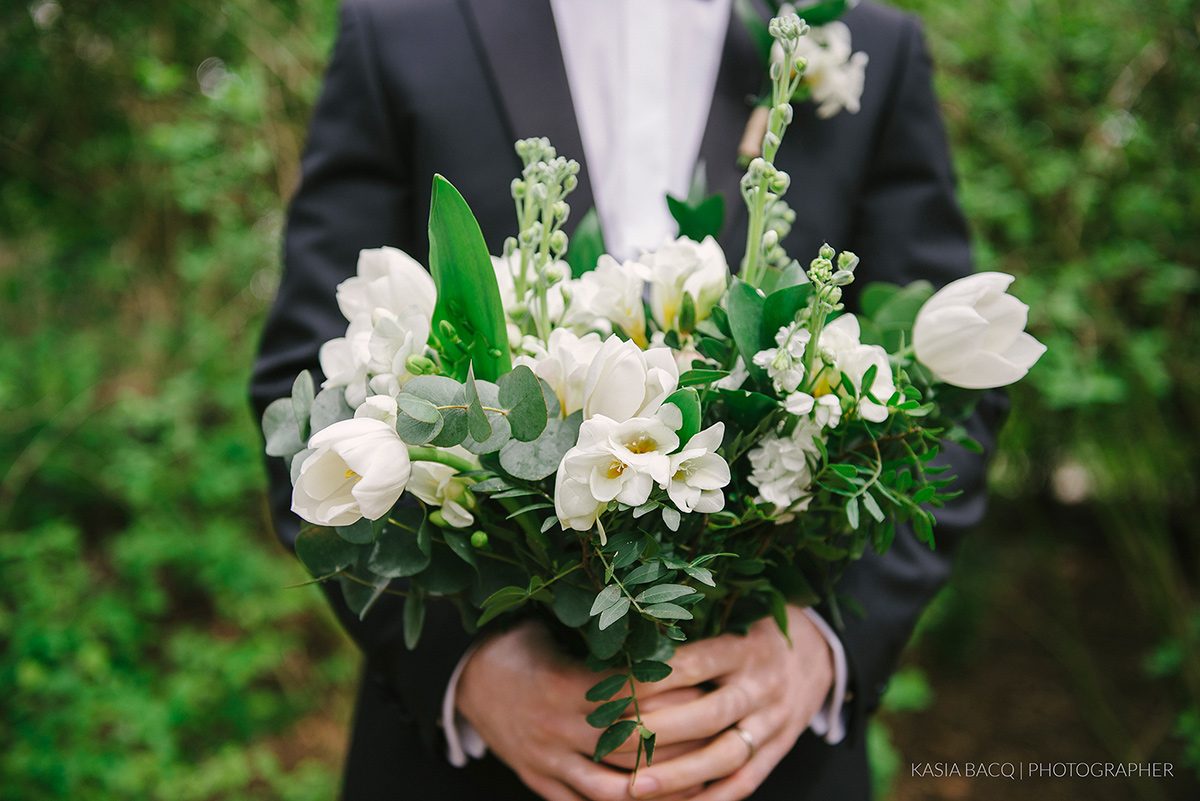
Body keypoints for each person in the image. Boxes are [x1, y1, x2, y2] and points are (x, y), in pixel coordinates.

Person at [250, 1, 1006, 798]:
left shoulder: (867, 46)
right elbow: (308, 382)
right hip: (469, 769)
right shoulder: (401, 28)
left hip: (774, 763)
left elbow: (955, 380)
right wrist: (466, 672)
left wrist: (824, 645)